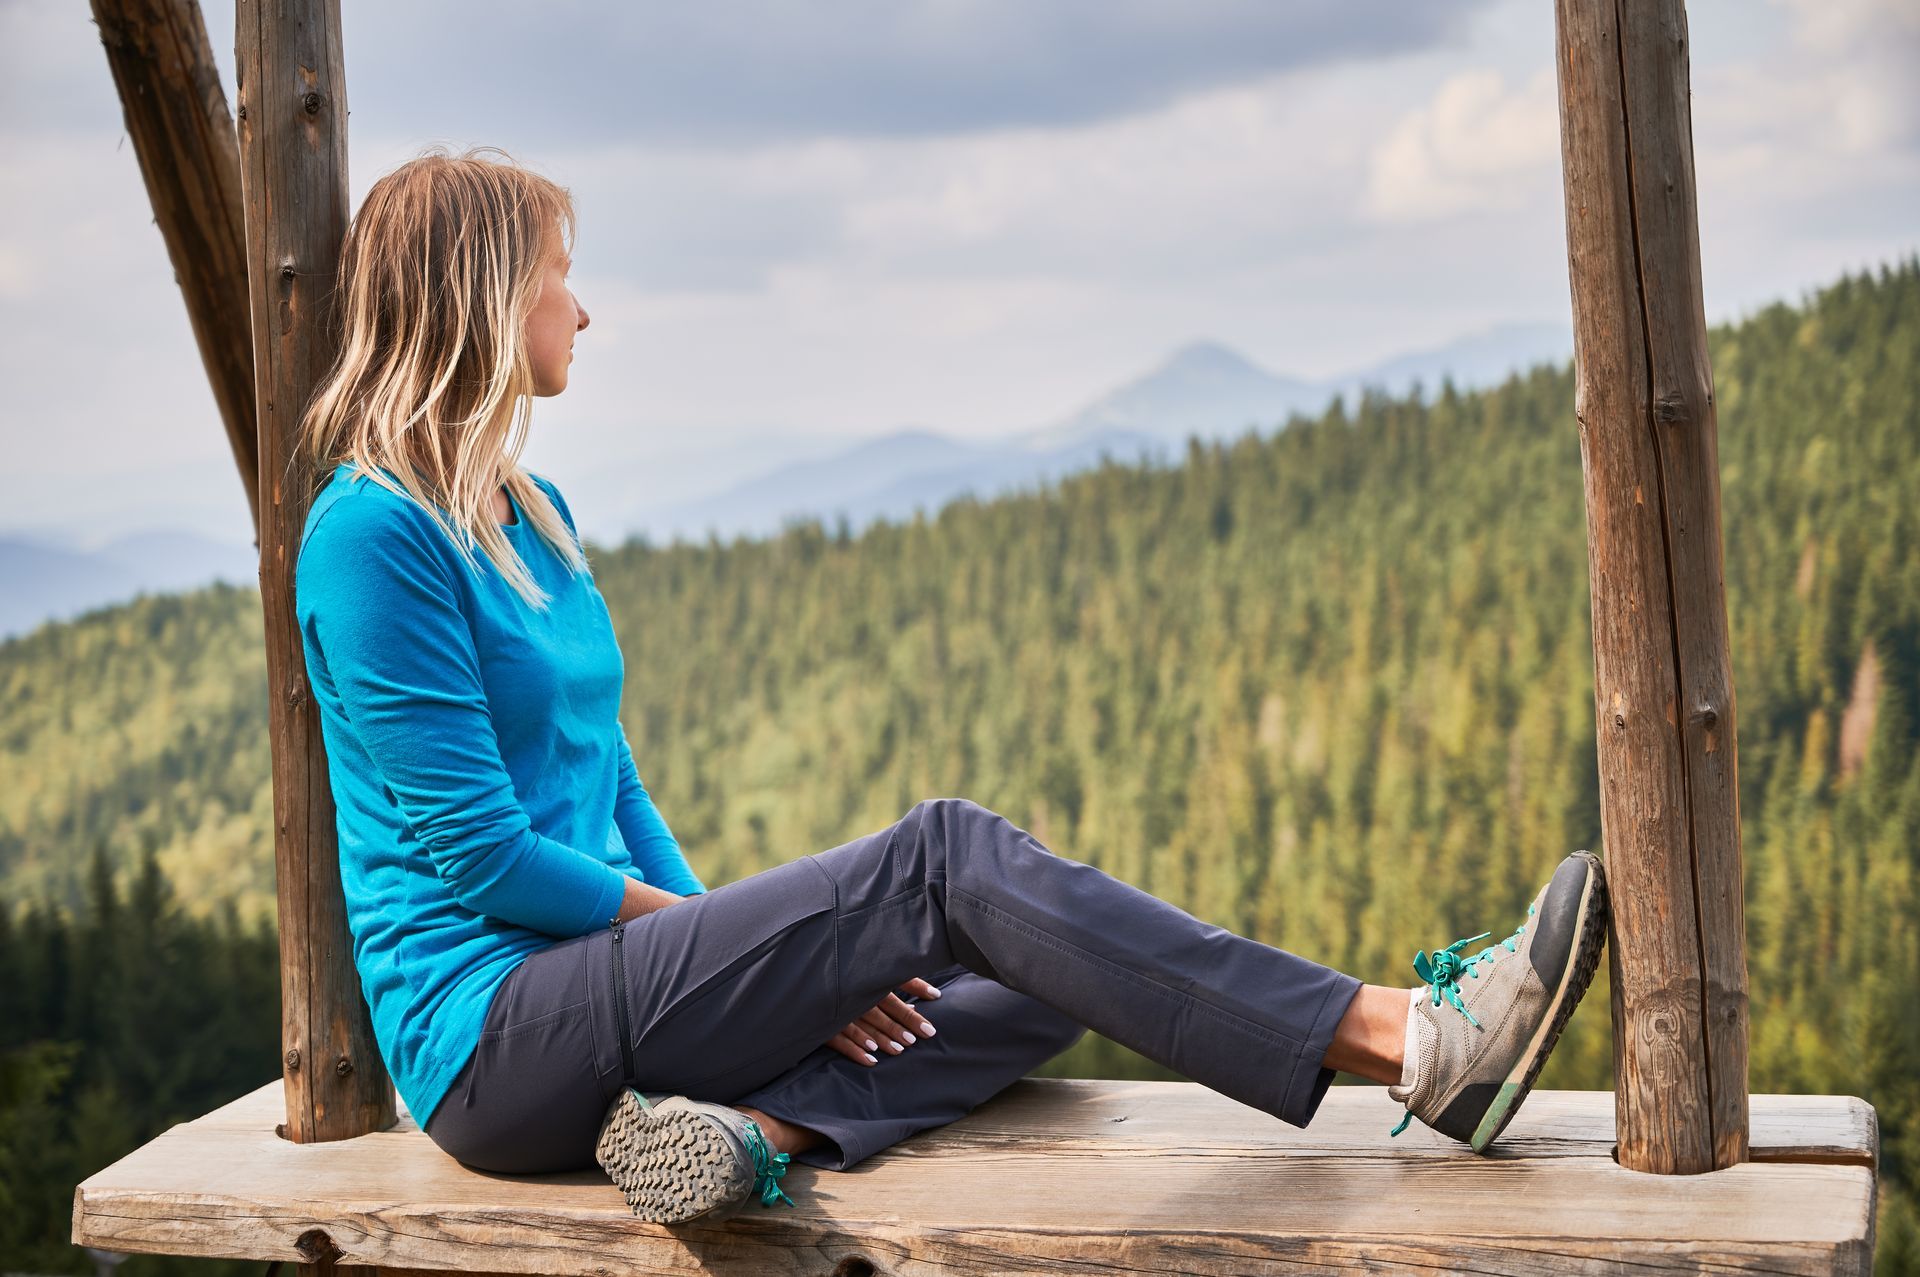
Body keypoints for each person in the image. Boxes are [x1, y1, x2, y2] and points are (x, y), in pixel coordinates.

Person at [293, 147, 1609, 1225]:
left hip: (605, 994)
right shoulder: (372, 537)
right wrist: (769, 958)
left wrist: (755, 971)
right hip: (492, 1039)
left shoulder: (530, 512)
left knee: (1039, 962)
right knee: (944, 861)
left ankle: (754, 1131)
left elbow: (612, 776)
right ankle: (1414, 1045)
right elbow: (484, 860)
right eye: (557, 280)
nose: (581, 311)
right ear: (474, 298)